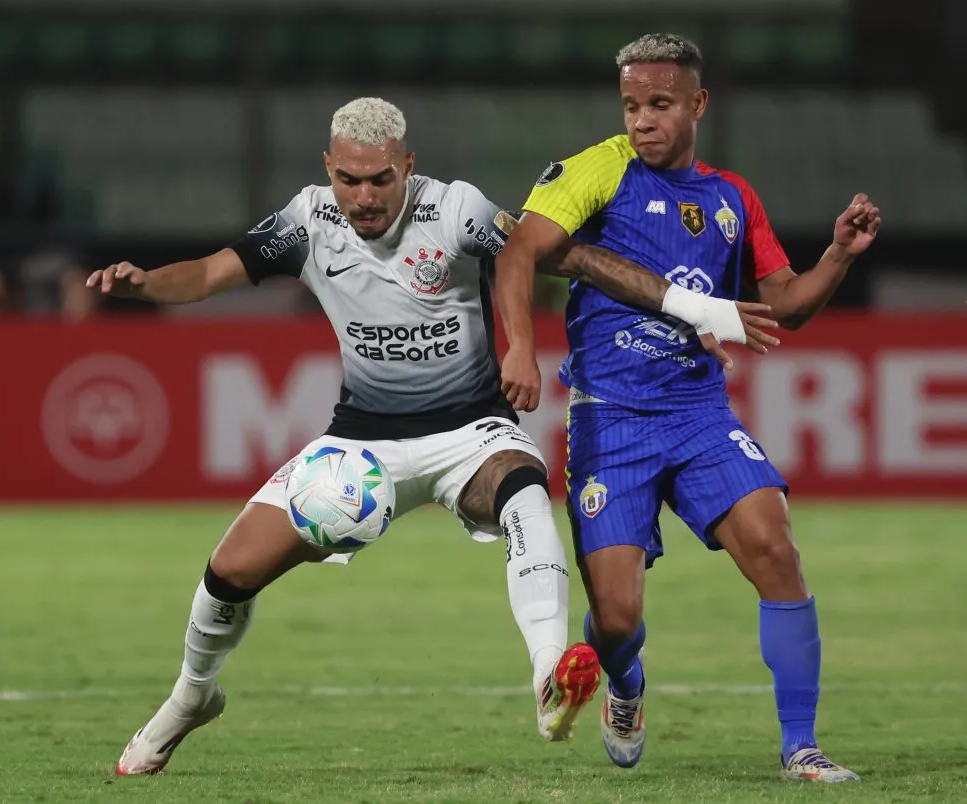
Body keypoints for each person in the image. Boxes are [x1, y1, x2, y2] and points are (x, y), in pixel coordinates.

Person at [87, 97, 776, 776]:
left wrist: (678, 314)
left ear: (407, 167)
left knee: (525, 493)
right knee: (229, 571)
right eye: (348, 179)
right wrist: (145, 285)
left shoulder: (456, 210)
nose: (362, 196)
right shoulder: (306, 220)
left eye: (380, 179)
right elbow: (210, 273)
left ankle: (548, 679)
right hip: (360, 443)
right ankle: (189, 698)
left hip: (469, 432)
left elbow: (551, 256)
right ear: (328, 168)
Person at [493, 35, 881, 782]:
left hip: (700, 414)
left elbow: (785, 306)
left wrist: (837, 255)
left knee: (776, 550)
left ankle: (800, 745)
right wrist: (519, 349)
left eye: (660, 105)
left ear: (698, 105)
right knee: (616, 618)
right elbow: (519, 251)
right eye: (633, 105)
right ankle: (627, 686)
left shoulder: (732, 198)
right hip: (610, 417)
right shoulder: (599, 171)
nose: (642, 120)